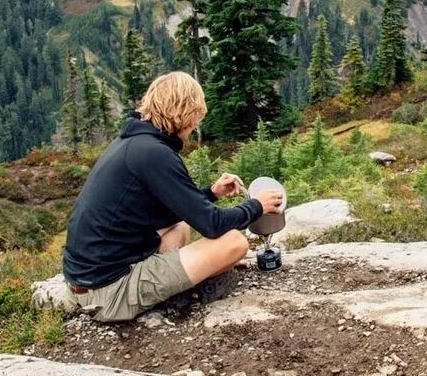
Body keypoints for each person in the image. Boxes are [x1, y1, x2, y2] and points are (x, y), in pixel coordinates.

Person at [62, 71, 284, 322]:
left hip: (87, 281)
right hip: (110, 292)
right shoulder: (156, 153)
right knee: (235, 243)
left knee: (179, 228)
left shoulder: (133, 142)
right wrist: (256, 205)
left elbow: (170, 210)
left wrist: (210, 193)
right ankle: (185, 294)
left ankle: (170, 282)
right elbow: (212, 225)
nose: (195, 125)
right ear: (185, 114)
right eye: (196, 117)